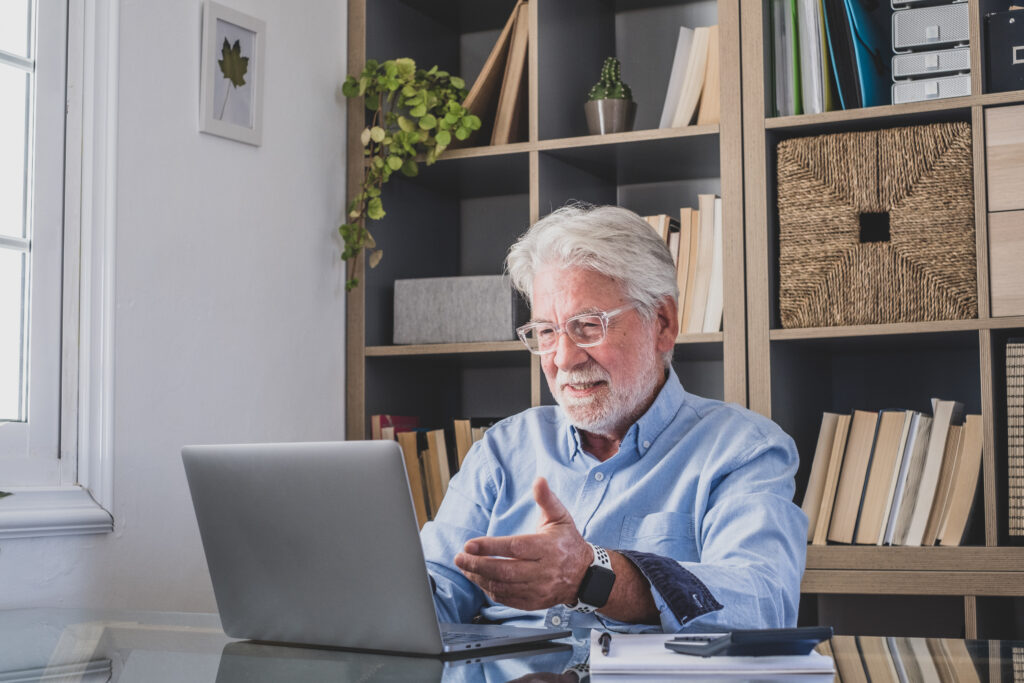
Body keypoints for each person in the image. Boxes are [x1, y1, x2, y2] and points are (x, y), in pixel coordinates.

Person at [420, 204, 807, 635]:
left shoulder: (741, 449)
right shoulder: (504, 448)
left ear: (662, 323)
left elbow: (762, 603)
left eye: (588, 325)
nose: (563, 359)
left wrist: (593, 576)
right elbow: (432, 591)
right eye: (546, 332)